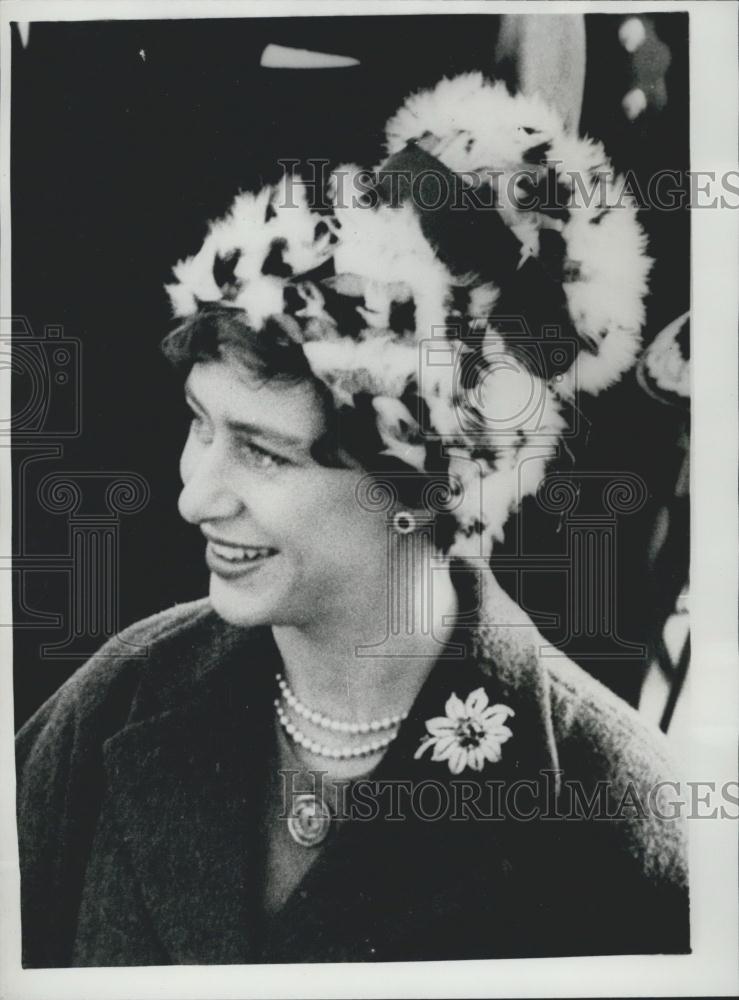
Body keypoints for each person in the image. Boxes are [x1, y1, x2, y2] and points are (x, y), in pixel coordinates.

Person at [16, 73, 689, 967]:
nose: (193, 495)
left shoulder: (607, 802)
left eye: (263, 452)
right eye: (198, 422)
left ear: (420, 484)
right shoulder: (113, 705)